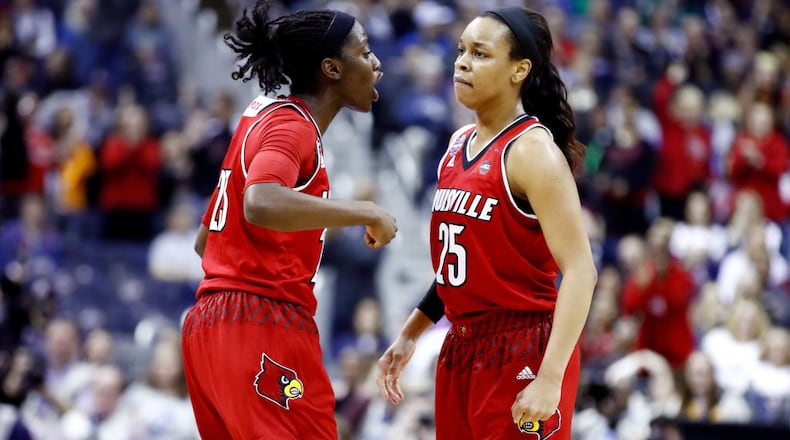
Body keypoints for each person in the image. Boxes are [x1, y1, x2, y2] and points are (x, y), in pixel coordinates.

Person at [180, 1, 397, 439]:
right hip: (259, 322)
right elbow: (259, 202)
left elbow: (207, 241)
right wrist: (365, 211)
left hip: (209, 324)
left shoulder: (258, 120)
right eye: (365, 51)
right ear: (331, 69)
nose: (376, 63)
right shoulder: (293, 127)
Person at [377, 6, 597, 440]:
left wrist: (550, 376)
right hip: (461, 347)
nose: (461, 61)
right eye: (461, 50)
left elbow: (580, 271)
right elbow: (459, 268)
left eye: (480, 53)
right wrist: (410, 333)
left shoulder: (533, 152)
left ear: (519, 70)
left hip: (522, 346)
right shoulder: (458, 142)